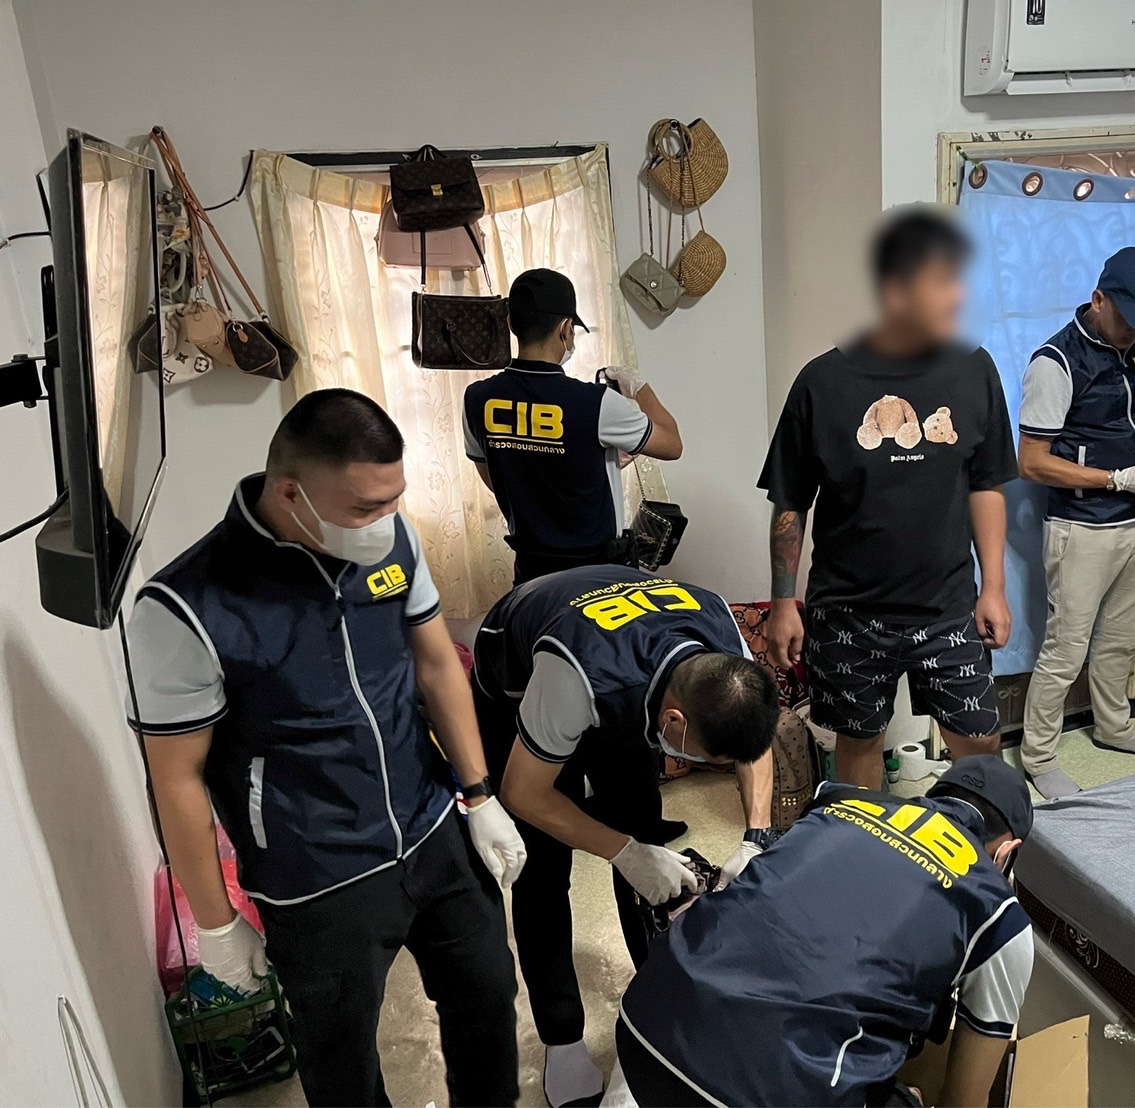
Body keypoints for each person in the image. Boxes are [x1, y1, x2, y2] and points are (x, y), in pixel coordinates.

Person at [129, 390, 525, 1107]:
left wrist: (479, 793)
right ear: (292, 493)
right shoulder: (187, 605)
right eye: (366, 507)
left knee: (489, 995)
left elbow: (437, 664)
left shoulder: (393, 541)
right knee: (341, 1060)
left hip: (431, 823)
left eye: (395, 499)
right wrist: (216, 924)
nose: (387, 520)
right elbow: (177, 777)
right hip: (316, 873)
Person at [471, 564, 779, 1107]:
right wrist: (625, 853)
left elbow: (751, 745)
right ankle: (562, 1038)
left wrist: (756, 835)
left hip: (625, 674)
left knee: (640, 821)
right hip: (519, 684)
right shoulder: (574, 677)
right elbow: (524, 793)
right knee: (543, 866)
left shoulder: (725, 647)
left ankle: (656, 998)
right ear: (675, 723)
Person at [606, 755, 1036, 1107]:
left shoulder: (836, 800)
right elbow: (965, 1099)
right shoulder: (999, 911)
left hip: (643, 1031)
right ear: (1008, 852)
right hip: (764, 1093)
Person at [759, 206, 1017, 789]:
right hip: (849, 611)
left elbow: (986, 483)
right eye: (943, 281)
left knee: (980, 744)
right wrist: (782, 603)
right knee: (859, 746)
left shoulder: (974, 370)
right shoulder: (821, 384)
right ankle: (865, 841)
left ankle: (988, 844)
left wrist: (995, 587)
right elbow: (791, 503)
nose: (958, 295)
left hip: (948, 607)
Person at [1014, 247, 1135, 798]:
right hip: (1083, 525)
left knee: (1123, 636)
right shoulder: (1056, 361)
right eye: (1127, 317)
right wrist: (1119, 479)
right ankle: (1039, 756)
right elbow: (1031, 462)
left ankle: (1113, 727)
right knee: (1066, 649)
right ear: (1099, 299)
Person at [462, 267, 683, 584]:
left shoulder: (476, 399)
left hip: (530, 573)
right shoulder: (598, 403)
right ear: (566, 328)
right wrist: (639, 387)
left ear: (511, 323)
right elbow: (672, 445)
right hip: (596, 573)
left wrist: (589, 467)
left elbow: (498, 476)